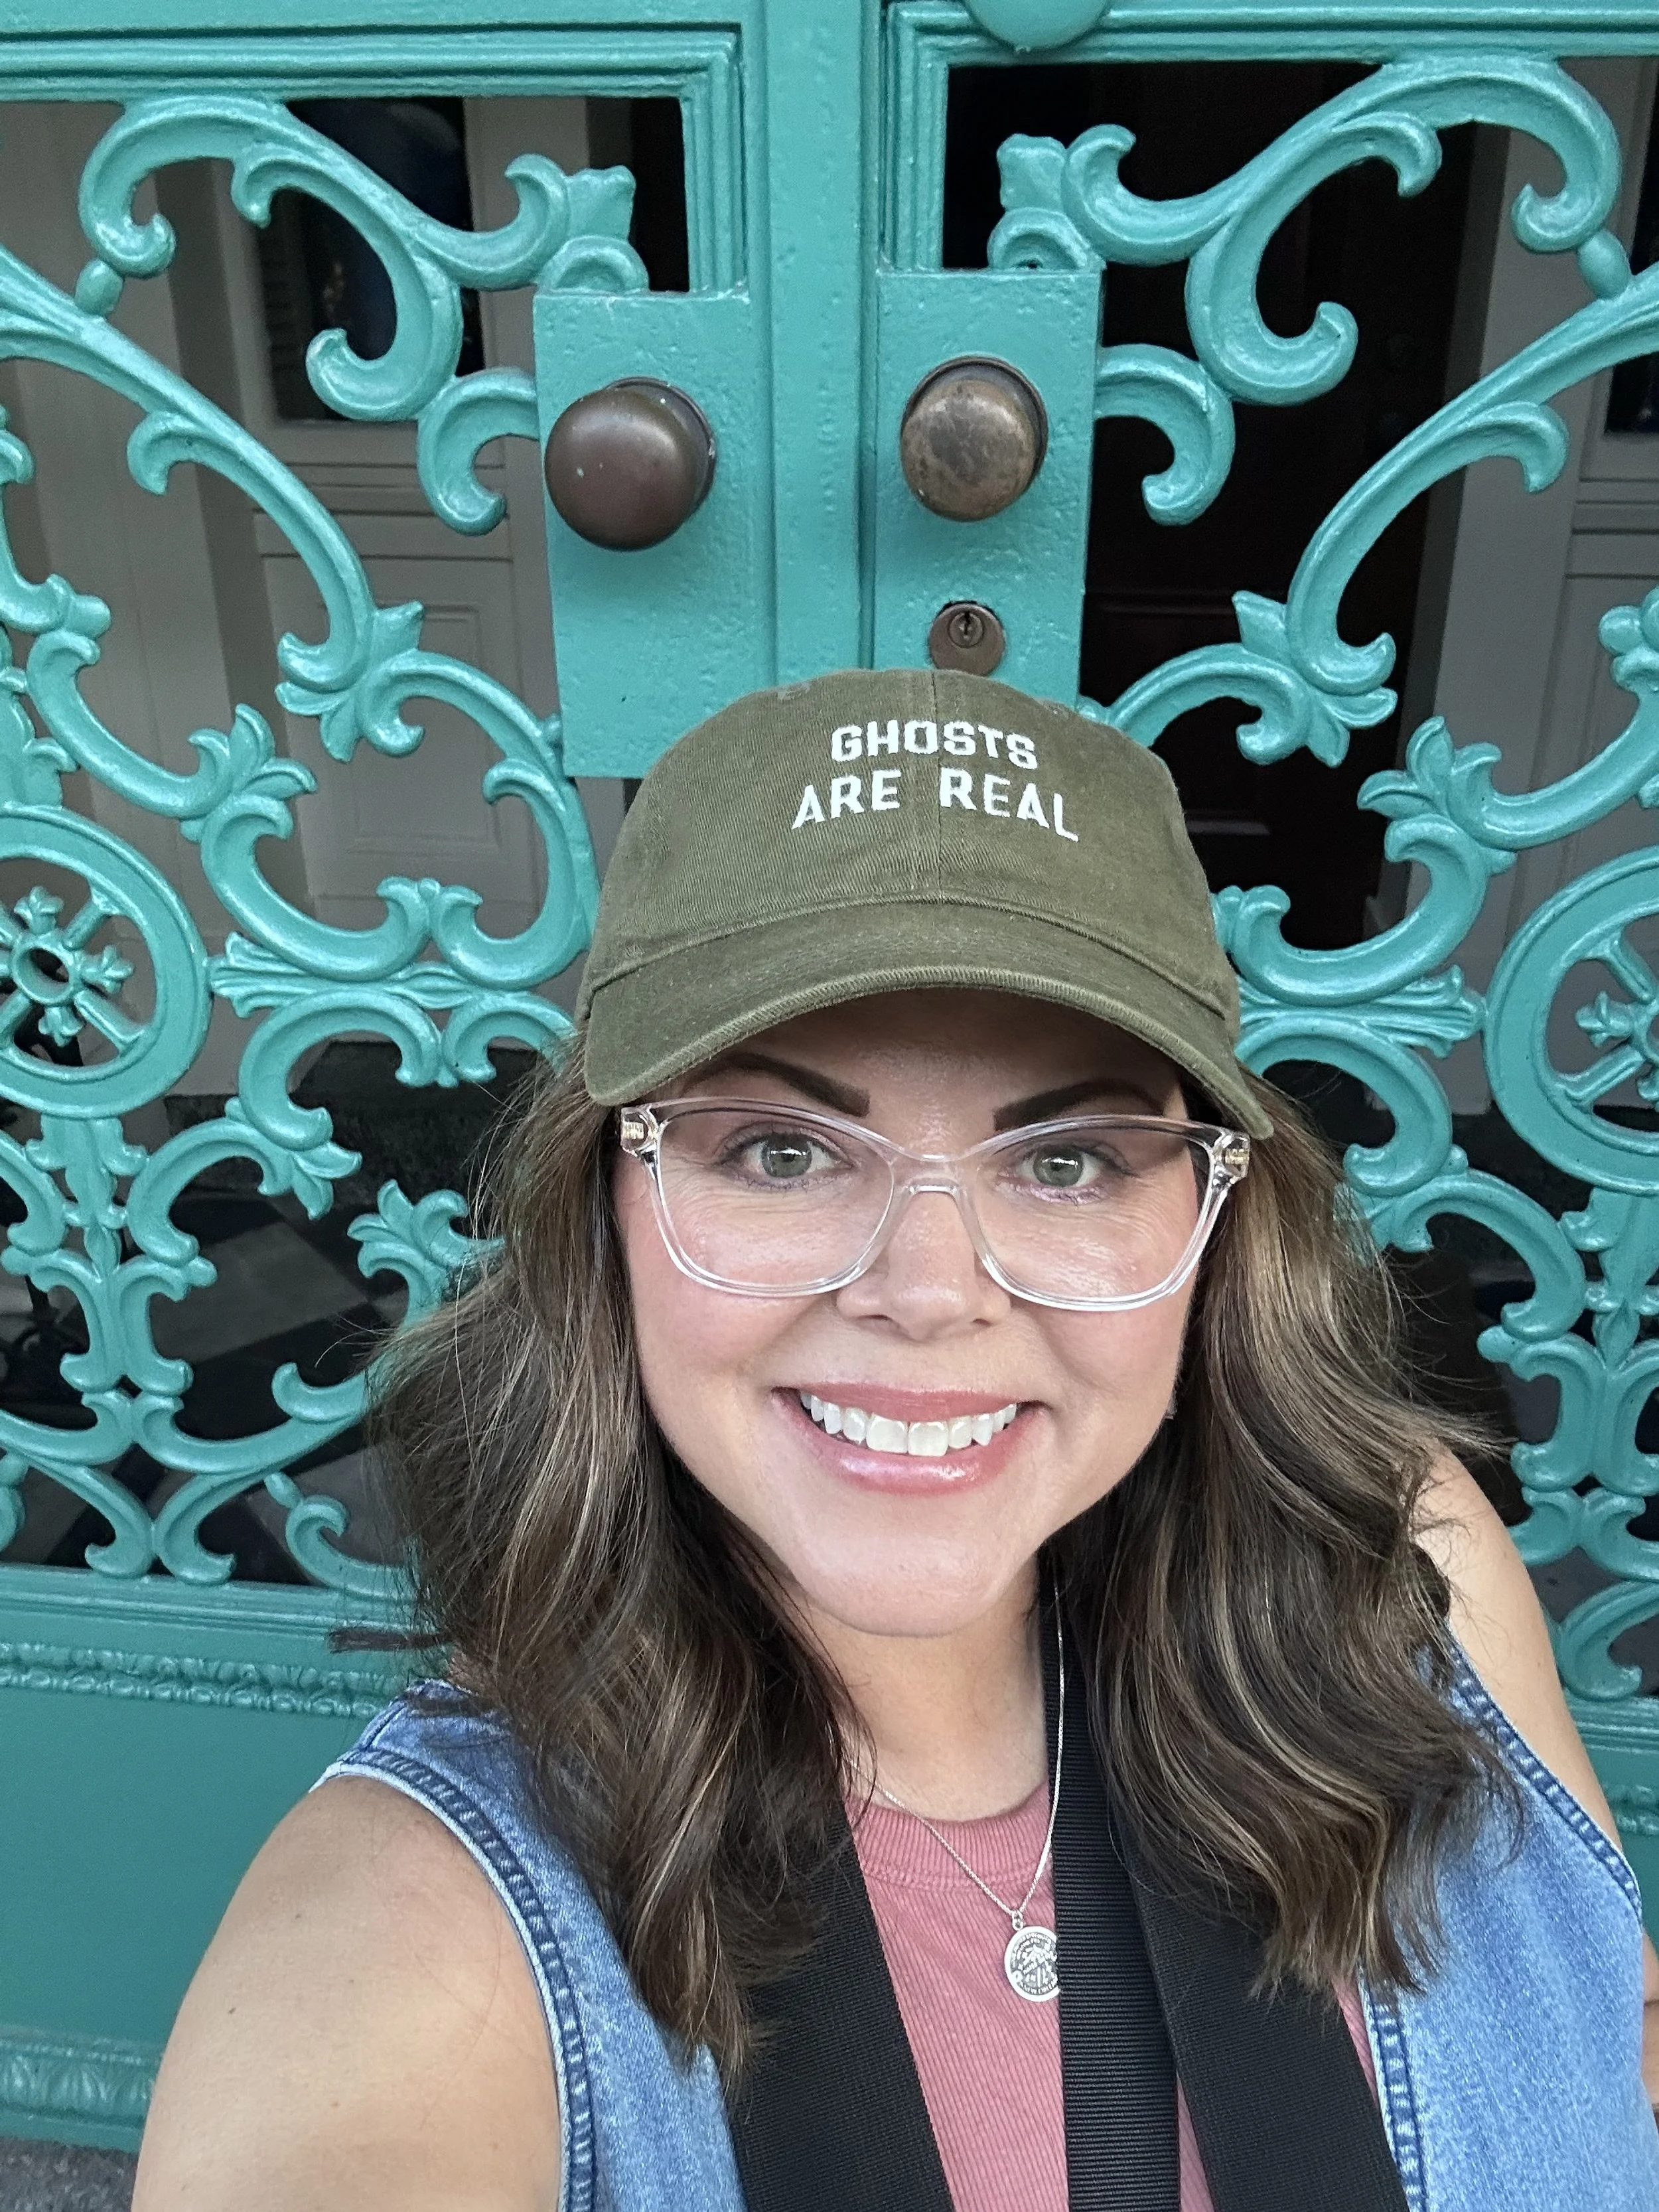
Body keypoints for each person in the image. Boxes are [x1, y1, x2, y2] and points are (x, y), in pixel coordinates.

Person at [134, 670, 1659, 2211]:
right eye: (781, 1151)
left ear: (1210, 1226)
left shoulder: (1402, 1556)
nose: (929, 1295)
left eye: (1065, 1159)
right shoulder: (419, 1928)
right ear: (607, 1205)